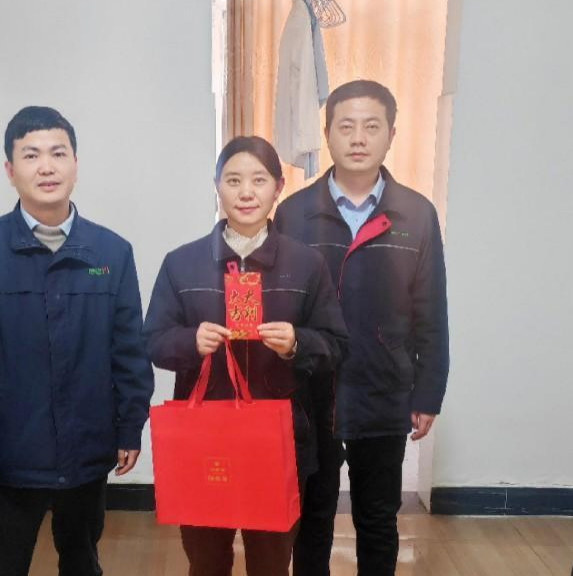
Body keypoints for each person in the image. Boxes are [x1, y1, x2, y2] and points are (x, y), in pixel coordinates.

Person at [0, 106, 154, 576]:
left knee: (81, 559)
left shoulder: (110, 253)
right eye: (31, 154)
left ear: (75, 164)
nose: (46, 166)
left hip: (86, 448)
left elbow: (129, 351)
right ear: (10, 170)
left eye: (58, 153)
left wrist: (129, 427)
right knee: (3, 564)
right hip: (9, 453)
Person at [144, 135, 348, 576]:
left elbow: (336, 344)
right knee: (206, 561)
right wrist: (190, 342)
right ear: (217, 186)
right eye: (233, 180)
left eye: (259, 180)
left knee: (271, 562)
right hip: (205, 441)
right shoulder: (182, 263)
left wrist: (296, 343)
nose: (246, 192)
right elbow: (154, 341)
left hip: (278, 441)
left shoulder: (306, 264)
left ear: (278, 187)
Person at [276, 80, 450, 576]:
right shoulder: (293, 214)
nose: (358, 138)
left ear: (391, 135)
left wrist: (427, 393)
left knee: (377, 519)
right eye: (346, 126)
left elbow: (431, 312)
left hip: (383, 389)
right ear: (327, 133)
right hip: (310, 393)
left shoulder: (416, 214)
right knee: (312, 519)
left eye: (371, 126)